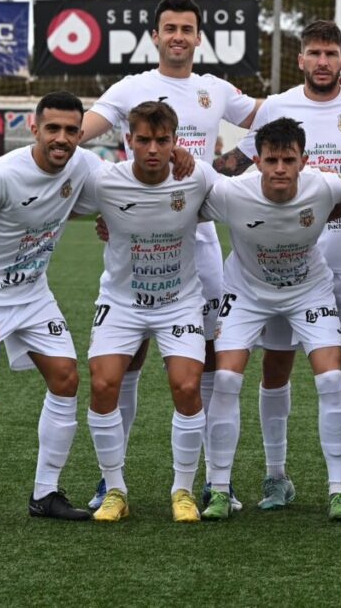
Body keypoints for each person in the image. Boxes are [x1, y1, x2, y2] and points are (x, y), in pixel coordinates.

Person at [80, 0, 341, 512]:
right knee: (126, 361)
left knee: (210, 365)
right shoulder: (129, 88)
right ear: (156, 36)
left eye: (187, 29)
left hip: (203, 239)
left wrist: (338, 87)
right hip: (143, 233)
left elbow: (277, 113)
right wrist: (116, 206)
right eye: (170, 28)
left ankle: (216, 481)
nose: (178, 37)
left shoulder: (215, 90)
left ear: (198, 37)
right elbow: (81, 133)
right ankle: (109, 481)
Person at [232, 21, 341, 513]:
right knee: (275, 365)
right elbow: (241, 164)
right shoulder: (277, 107)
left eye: (331, 54)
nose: (323, 62)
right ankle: (276, 475)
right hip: (283, 258)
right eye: (315, 53)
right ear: (300, 59)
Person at [0, 91, 101, 526]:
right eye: (53, 128)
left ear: (80, 134)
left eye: (71, 130)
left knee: (66, 378)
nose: (62, 138)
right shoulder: (0, 175)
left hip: (32, 293)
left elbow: (122, 188)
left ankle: (45, 493)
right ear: (34, 128)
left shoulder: (84, 165)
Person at [199, 117, 341, 522]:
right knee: (226, 378)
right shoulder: (232, 193)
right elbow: (176, 205)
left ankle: (339, 491)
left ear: (304, 160)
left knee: (331, 380)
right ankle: (219, 489)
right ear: (257, 161)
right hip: (246, 293)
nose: (280, 168)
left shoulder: (326, 186)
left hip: (309, 291)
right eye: (272, 160)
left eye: (289, 160)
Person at [84, 101, 218, 523]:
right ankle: (114, 490)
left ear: (176, 141)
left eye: (163, 140)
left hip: (178, 303)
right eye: (143, 140)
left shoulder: (197, 176)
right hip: (121, 302)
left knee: (187, 386)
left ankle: (183, 490)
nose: (153, 149)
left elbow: (246, 198)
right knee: (103, 383)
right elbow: (55, 198)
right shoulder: (105, 182)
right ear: (129, 140)